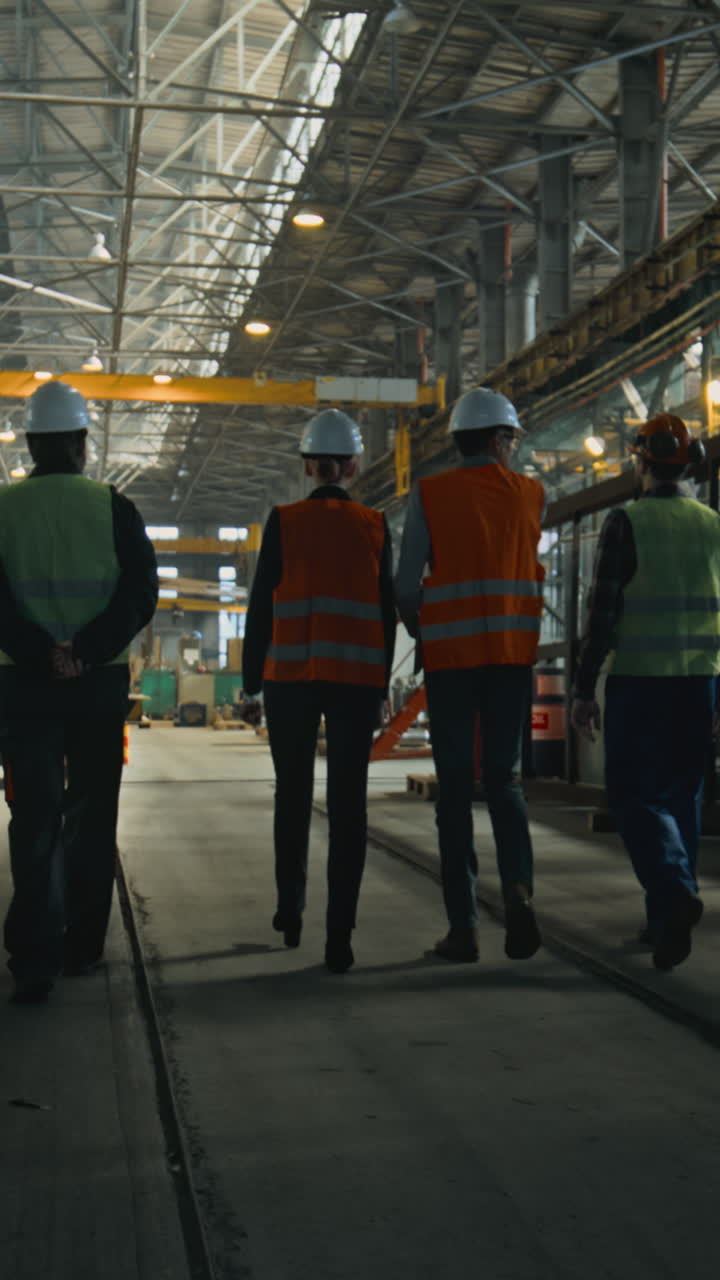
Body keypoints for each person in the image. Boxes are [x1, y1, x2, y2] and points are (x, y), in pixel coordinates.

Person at [0, 381, 158, 1003]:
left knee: (34, 818)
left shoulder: (3, 509)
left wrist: (41, 654)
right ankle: (82, 946)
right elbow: (140, 592)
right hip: (96, 688)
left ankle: (33, 957)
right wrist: (86, 651)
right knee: (90, 816)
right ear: (80, 444)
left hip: (22, 687)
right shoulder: (112, 506)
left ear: (34, 443)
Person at [242, 409, 395, 974]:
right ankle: (340, 937)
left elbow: (261, 607)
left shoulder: (282, 521)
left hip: (289, 681)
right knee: (348, 807)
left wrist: (250, 682)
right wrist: (380, 687)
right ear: (352, 467)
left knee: (293, 796)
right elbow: (384, 614)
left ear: (309, 467)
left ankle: (290, 911)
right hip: (355, 683)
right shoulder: (376, 525)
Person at [395, 387, 545, 963]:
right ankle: (520, 896)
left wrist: (426, 628)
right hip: (510, 660)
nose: (511, 448)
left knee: (455, 790)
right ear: (497, 438)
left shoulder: (431, 495)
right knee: (504, 783)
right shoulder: (531, 494)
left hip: (453, 664)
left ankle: (463, 927)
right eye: (510, 438)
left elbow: (408, 586)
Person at [571, 413, 715, 971]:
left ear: (640, 463)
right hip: (699, 681)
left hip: (640, 682)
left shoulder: (625, 523)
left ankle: (675, 892)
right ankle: (663, 922)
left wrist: (583, 689)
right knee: (681, 797)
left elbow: (602, 613)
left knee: (634, 797)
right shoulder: (712, 524)